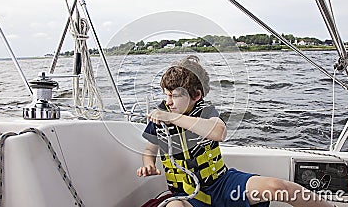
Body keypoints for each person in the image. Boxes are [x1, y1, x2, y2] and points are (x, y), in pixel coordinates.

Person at [137, 55, 334, 207]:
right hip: (186, 195)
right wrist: (148, 165)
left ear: (196, 95)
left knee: (280, 188)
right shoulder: (160, 118)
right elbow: (150, 150)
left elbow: (218, 132)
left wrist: (173, 118)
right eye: (166, 95)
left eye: (175, 95)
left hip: (223, 184)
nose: (168, 102)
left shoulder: (205, 112)